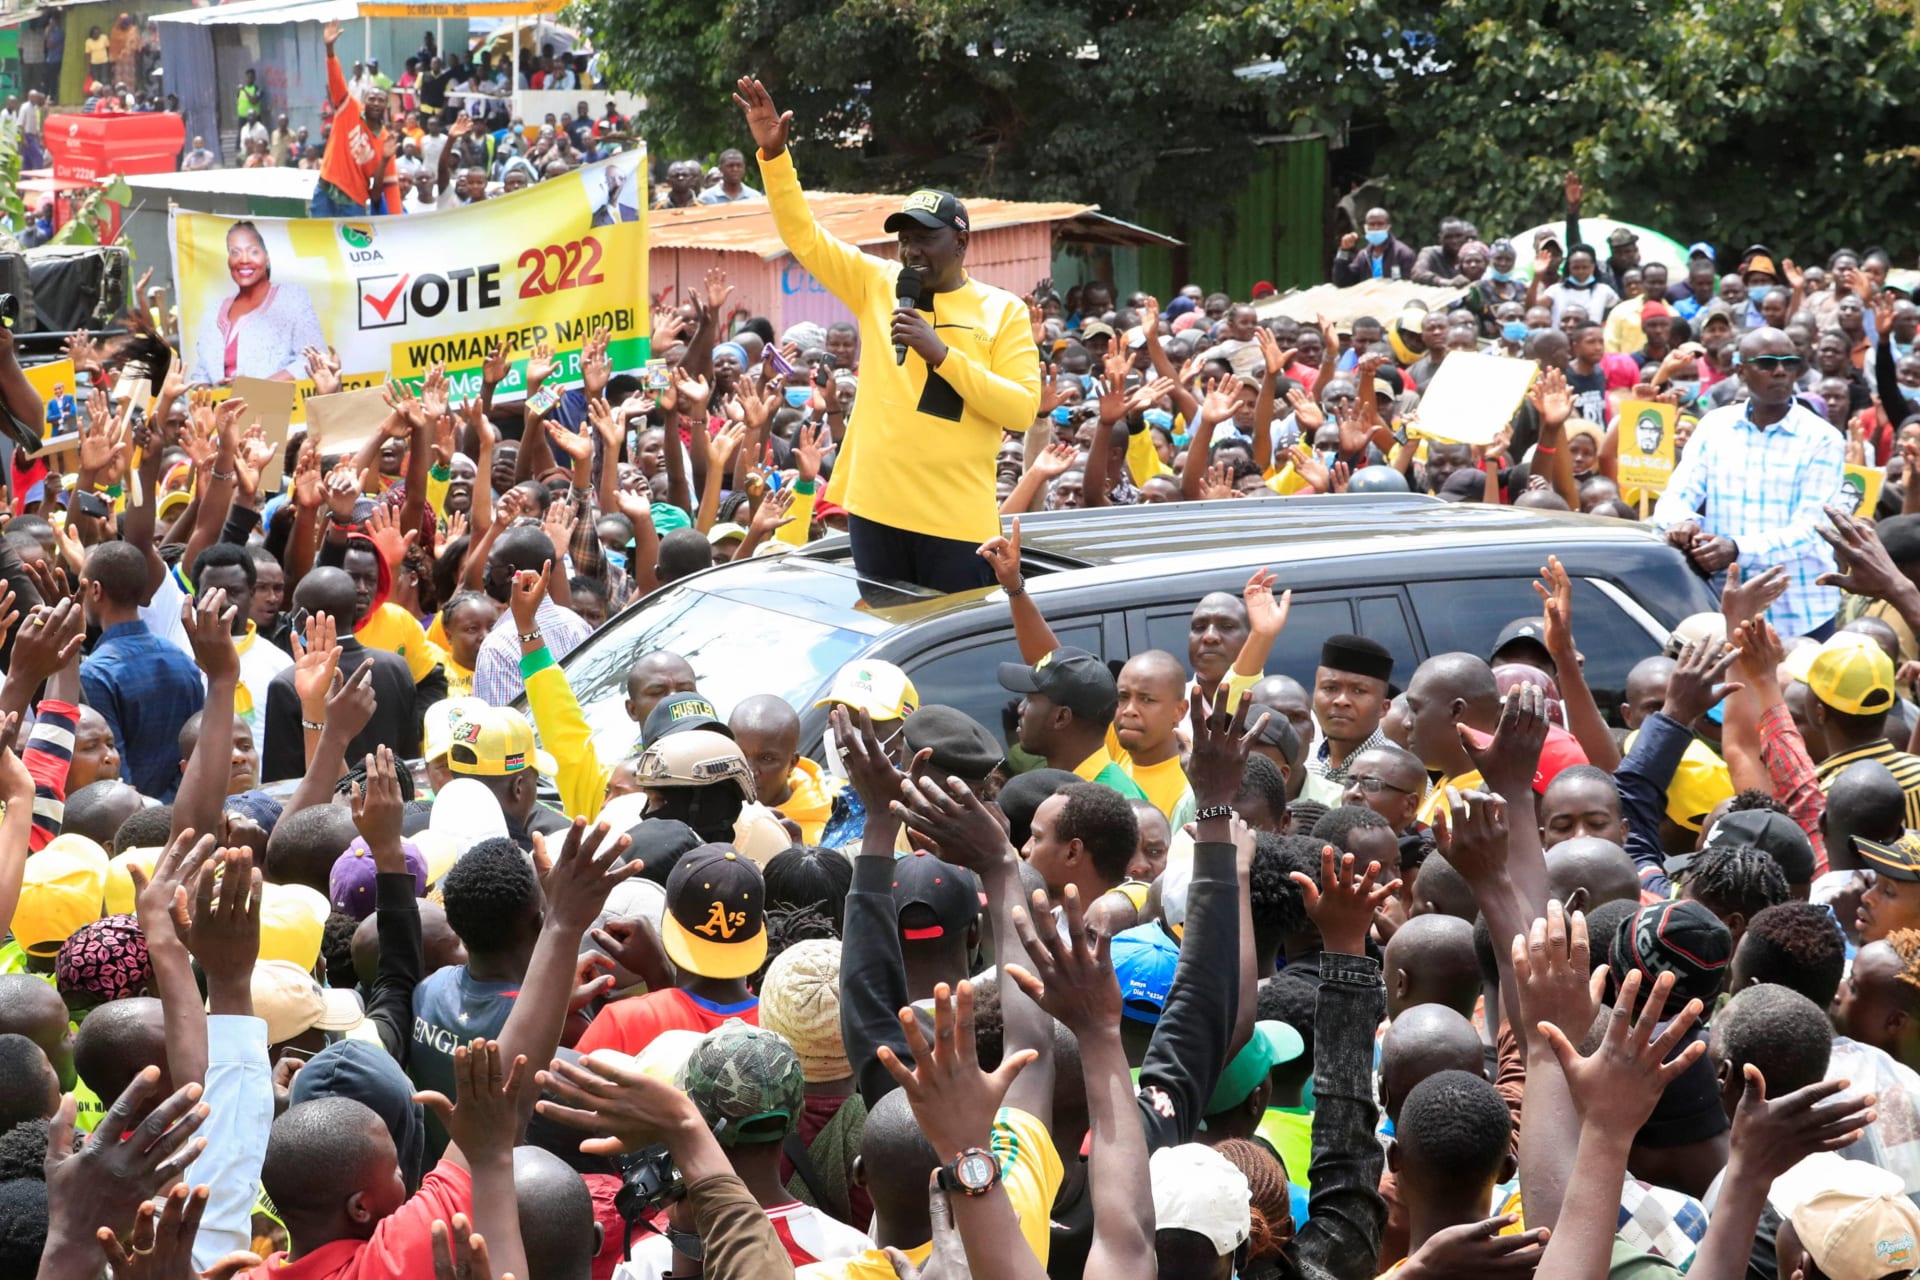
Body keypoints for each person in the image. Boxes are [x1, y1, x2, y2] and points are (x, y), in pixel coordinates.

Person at [736, 76, 1041, 592]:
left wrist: (942, 355)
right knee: (883, 644)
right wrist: (774, 157)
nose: (911, 251)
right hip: (876, 509)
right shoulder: (877, 283)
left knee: (947, 650)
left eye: (926, 238)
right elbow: (804, 236)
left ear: (961, 241)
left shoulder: (1002, 310)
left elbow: (1020, 410)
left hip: (957, 518)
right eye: (905, 240)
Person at [1654, 327, 1846, 640]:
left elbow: (1810, 532)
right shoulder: (1715, 426)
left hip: (1799, 615)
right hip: (1723, 610)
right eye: (1768, 363)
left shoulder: (1822, 439)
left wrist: (1737, 549)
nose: (1781, 371)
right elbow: (1675, 497)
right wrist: (1682, 521)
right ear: (1741, 372)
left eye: (1789, 362)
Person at [78, 543, 205, 801]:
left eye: (82, 588)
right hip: (184, 810)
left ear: (95, 590)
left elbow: (114, 775)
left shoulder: (94, 674)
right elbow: (197, 750)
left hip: (130, 821)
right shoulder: (183, 660)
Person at [186, 221, 326, 384]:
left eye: (253, 251)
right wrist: (208, 393)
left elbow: (312, 359)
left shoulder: (292, 297)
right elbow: (201, 374)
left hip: (276, 407)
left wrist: (254, 390)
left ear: (266, 257)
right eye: (235, 252)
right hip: (222, 408)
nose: (243, 260)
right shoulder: (213, 311)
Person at [312, 18, 399, 216]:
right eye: (372, 98)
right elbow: (336, 80)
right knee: (316, 242)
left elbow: (385, 191)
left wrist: (385, 159)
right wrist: (330, 50)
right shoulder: (348, 108)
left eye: (380, 100)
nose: (376, 102)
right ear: (364, 100)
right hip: (326, 190)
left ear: (386, 106)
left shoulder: (387, 141)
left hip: (353, 203)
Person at [1332, 208, 1416, 284]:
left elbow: (1408, 287)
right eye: (1372, 224)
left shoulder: (1402, 254)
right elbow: (1342, 281)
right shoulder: (1363, 256)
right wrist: (1343, 250)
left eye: (1380, 224)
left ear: (1388, 227)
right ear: (1366, 227)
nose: (1376, 228)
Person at [698, 148, 763, 203]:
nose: (735, 169)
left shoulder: (755, 197)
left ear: (744, 168)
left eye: (739, 165)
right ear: (721, 169)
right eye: (730, 165)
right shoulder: (706, 199)